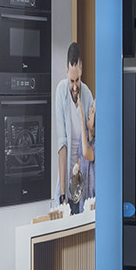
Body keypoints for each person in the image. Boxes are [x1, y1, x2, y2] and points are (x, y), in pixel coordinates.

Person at [53, 41, 96, 209]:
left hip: (83, 178)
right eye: (71, 81)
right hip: (66, 175)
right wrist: (63, 194)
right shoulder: (61, 92)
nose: (75, 87)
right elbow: (62, 144)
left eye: (77, 80)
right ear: (66, 71)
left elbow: (91, 138)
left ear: (81, 68)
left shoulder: (87, 95)